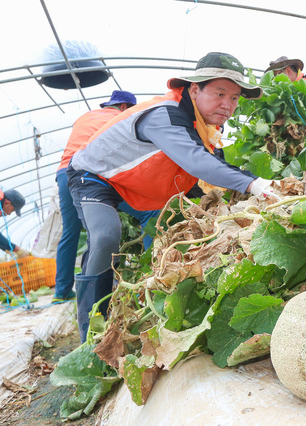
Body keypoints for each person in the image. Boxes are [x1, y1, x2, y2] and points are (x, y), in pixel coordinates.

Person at [67, 51, 276, 341]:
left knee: (172, 237)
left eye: (235, 98)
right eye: (219, 93)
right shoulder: (164, 114)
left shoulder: (206, 128)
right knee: (105, 236)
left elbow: (212, 175)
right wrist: (255, 184)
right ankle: (91, 331)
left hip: (140, 189)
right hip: (96, 177)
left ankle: (155, 308)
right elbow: (196, 161)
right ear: (194, 89)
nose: (228, 105)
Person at [53, 90, 160, 303]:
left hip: (65, 173)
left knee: (71, 233)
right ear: (123, 107)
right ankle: (152, 276)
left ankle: (62, 291)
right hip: (95, 175)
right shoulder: (119, 118)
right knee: (150, 212)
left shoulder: (85, 117)